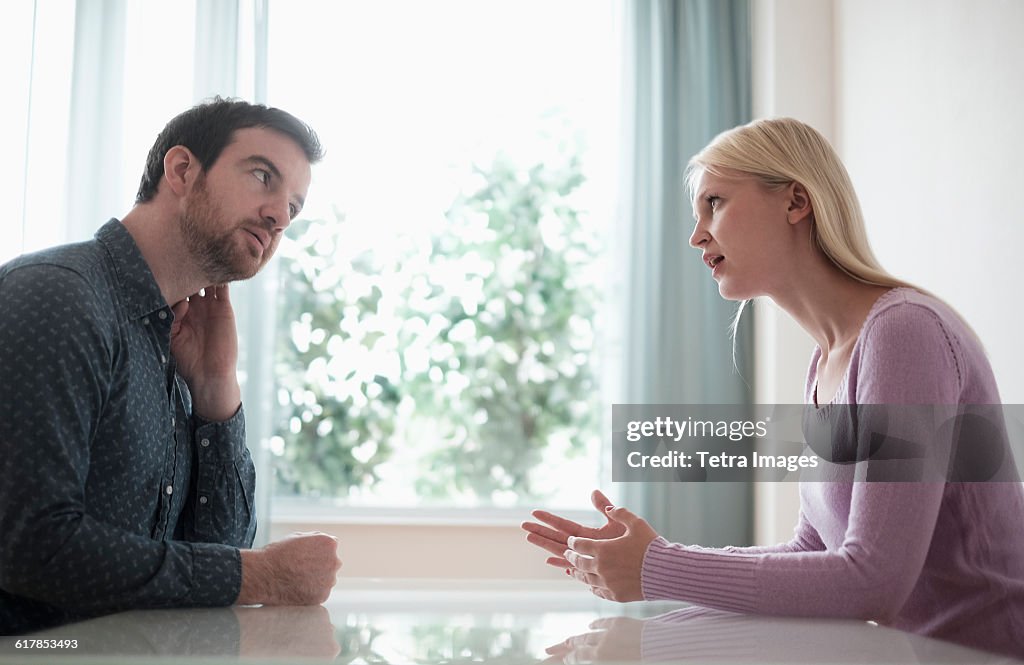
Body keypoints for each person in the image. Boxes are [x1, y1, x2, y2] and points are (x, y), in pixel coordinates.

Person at [522, 118, 1024, 657]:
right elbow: (812, 551)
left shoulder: (905, 332)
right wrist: (643, 618)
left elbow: (872, 581)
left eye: (714, 202)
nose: (696, 236)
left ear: (795, 202)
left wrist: (657, 568)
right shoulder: (826, 361)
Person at [0, 98, 342, 635]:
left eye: (293, 208)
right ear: (182, 170)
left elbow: (218, 546)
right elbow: (30, 546)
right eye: (261, 176)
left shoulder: (177, 338)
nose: (279, 216)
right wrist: (259, 577)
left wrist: (215, 390)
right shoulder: (59, 295)